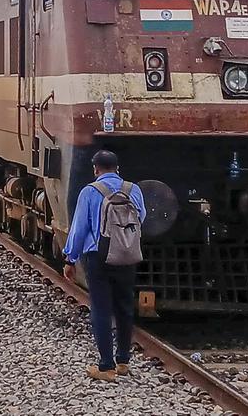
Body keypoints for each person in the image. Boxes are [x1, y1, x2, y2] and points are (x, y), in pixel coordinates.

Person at [62, 150, 146, 382]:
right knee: (125, 306)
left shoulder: (90, 192)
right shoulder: (133, 190)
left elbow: (79, 229)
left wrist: (70, 259)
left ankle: (106, 366)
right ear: (117, 168)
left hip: (97, 257)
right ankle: (123, 361)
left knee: (101, 308)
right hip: (126, 255)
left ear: (95, 169)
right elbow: (142, 218)